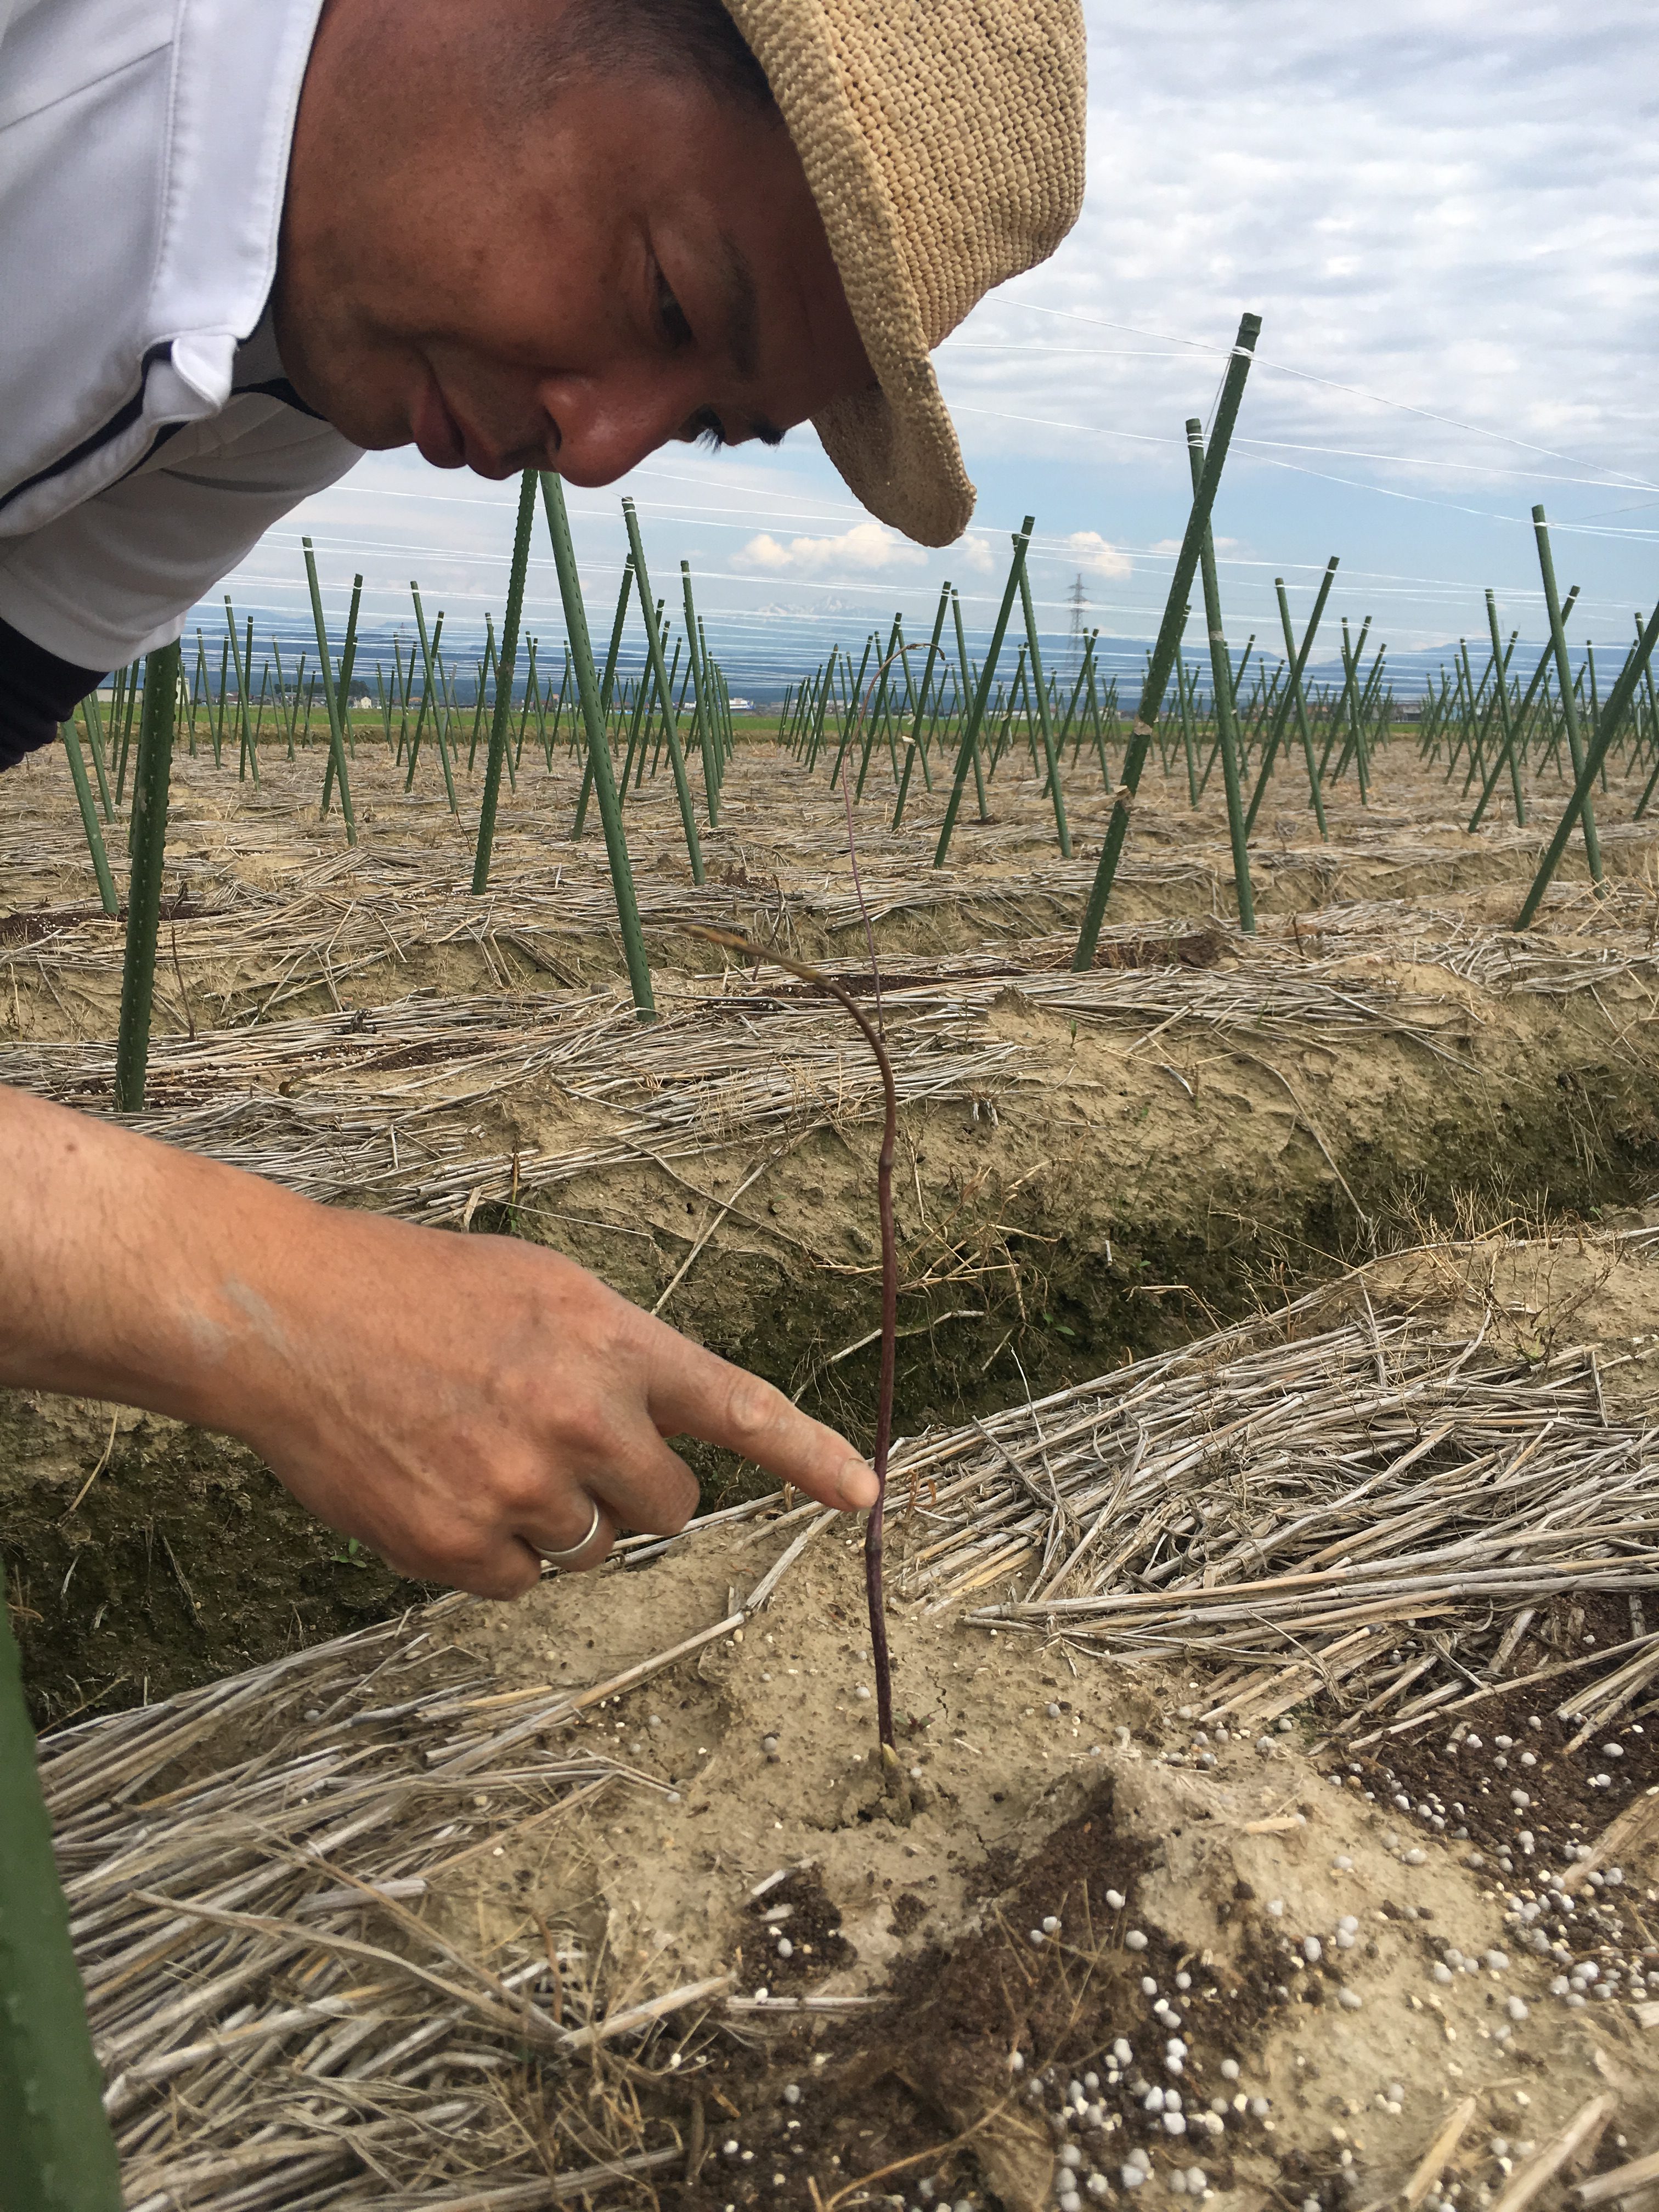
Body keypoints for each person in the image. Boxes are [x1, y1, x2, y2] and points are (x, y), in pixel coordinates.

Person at [0, 0, 1085, 1597]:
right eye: (665, 297)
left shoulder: (287, 380)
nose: (598, 450)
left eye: (706, 421)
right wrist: (286, 1305)